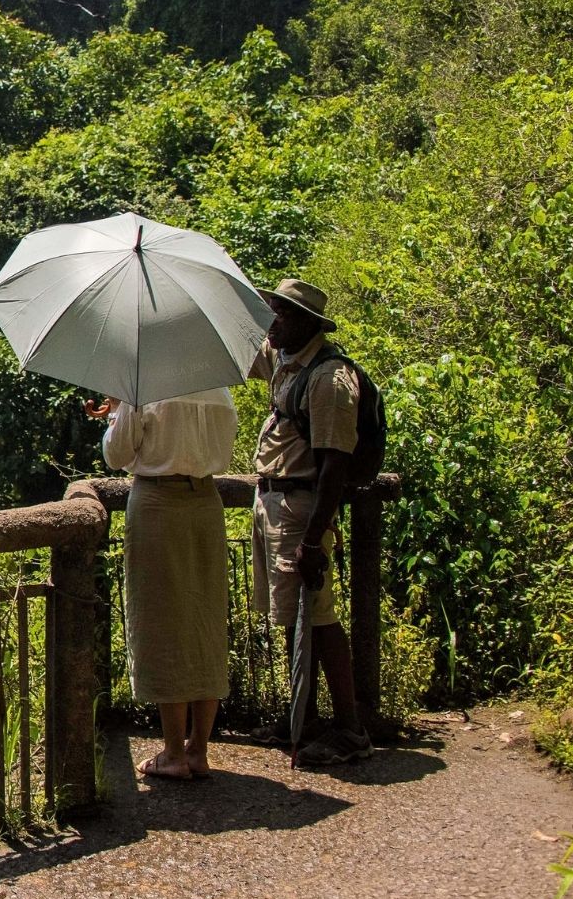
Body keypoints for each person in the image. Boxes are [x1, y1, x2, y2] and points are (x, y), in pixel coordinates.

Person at [249, 276, 371, 767]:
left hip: (302, 508)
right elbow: (235, 354)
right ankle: (304, 716)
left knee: (318, 617)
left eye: (280, 314)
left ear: (307, 323)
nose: (270, 321)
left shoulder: (329, 380)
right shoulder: (284, 359)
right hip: (275, 501)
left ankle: (350, 729)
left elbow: (334, 465)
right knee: (292, 616)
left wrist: (315, 539)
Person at [89, 384, 238, 781]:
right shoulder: (219, 391)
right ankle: (198, 750)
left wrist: (121, 407)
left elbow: (115, 455)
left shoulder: (144, 390)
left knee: (162, 621)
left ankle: (173, 752)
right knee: (204, 620)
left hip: (157, 505)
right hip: (207, 503)